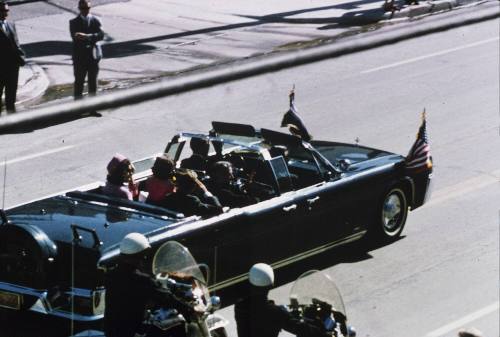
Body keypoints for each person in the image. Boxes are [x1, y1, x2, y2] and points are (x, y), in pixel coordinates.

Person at [104, 233, 176, 337]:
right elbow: (165, 297)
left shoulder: (111, 274)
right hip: (132, 332)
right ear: (140, 255)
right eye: (144, 255)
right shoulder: (142, 280)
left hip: (111, 331)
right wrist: (189, 309)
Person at [234, 263, 328, 337]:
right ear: (271, 285)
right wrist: (323, 335)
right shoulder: (275, 312)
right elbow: (300, 328)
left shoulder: (240, 306)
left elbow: (259, 312)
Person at [69, 0, 104, 100]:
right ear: (79, 9)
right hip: (79, 58)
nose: (85, 10)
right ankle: (78, 108)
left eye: (87, 8)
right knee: (79, 82)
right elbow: (75, 36)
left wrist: (87, 36)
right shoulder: (73, 22)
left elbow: (101, 35)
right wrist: (92, 37)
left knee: (93, 82)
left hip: (93, 57)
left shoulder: (96, 20)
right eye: (83, 8)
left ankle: (93, 107)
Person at [0, 1, 25, 114]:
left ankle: (12, 121)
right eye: (2, 11)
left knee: (11, 96)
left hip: (13, 67)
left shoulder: (11, 24)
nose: (5, 13)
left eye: (7, 10)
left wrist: (21, 57)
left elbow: (16, 43)